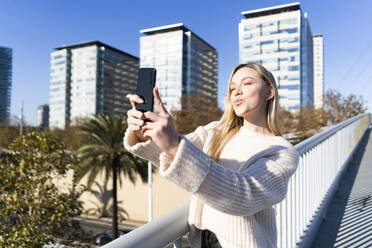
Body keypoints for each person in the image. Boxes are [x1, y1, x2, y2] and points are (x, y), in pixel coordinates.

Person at [124, 63, 300, 248]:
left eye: (247, 83)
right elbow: (167, 155)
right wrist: (144, 132)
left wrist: (174, 145)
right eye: (232, 88)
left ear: (269, 92)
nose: (237, 92)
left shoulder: (282, 152)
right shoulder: (215, 131)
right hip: (198, 241)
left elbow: (242, 195)